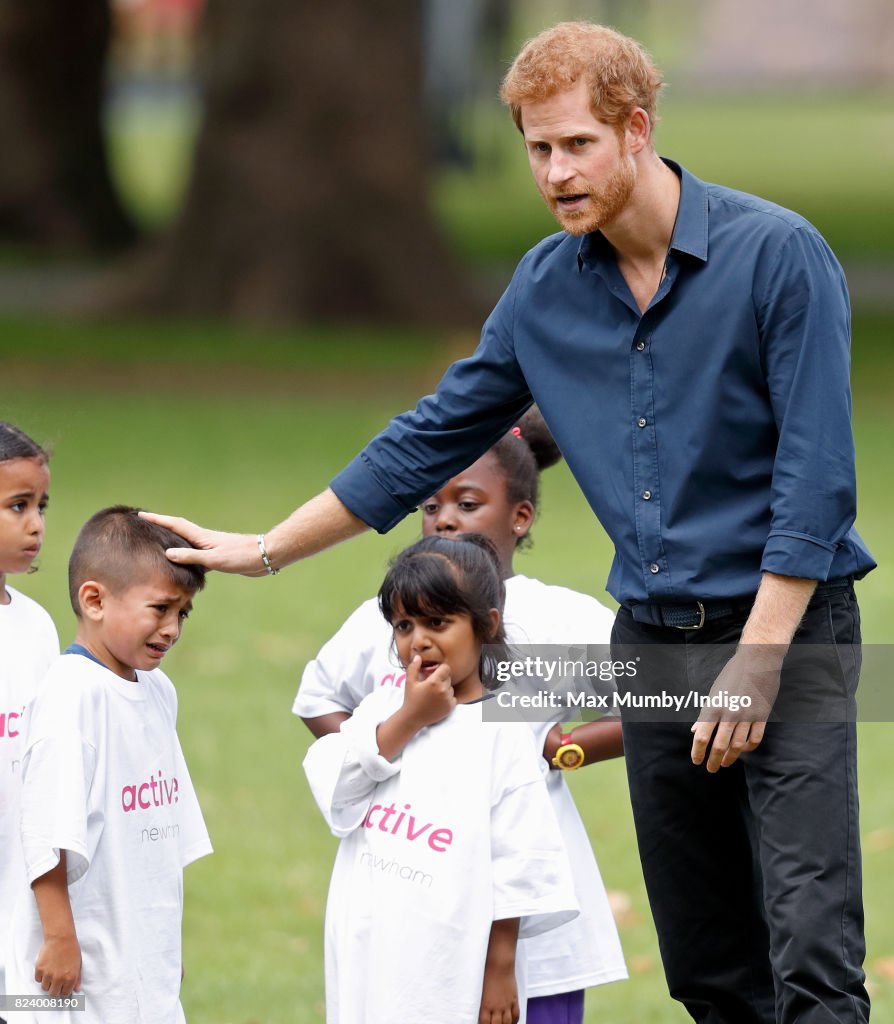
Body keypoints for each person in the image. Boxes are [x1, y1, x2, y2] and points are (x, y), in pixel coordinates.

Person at [142, 20, 875, 1024]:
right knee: (709, 960)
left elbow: (818, 483)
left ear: (636, 129)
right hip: (656, 638)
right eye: (537, 148)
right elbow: (425, 439)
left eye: (577, 143)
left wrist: (758, 659)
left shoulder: (778, 257)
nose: (555, 171)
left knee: (812, 950)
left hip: (788, 635)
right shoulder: (543, 291)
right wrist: (265, 550)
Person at [295, 409, 626, 1024]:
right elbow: (319, 697)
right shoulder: (393, 615)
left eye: (467, 503)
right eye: (429, 505)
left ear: (518, 516)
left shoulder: (557, 619)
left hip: (526, 926)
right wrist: (397, 756)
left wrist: (568, 746)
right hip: (413, 909)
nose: (444, 517)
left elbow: (677, 698)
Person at [303, 534, 579, 1024]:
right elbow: (335, 786)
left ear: (485, 626)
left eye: (437, 622)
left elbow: (521, 863)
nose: (419, 640)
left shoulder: (503, 732)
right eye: (404, 625)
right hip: (370, 942)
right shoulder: (384, 704)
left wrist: (499, 968)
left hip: (453, 955)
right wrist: (409, 719)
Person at [6, 507, 212, 1024]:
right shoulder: (70, 696)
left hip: (136, 958)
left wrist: (160, 950)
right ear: (94, 600)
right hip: (70, 966)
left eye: (183, 613)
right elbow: (44, 835)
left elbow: (161, 840)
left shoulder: (158, 690)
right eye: (160, 608)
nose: (172, 629)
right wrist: (58, 940)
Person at [0, 423, 59, 1024]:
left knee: (28, 1007)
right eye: (18, 506)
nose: (37, 523)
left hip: (25, 889)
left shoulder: (37, 624)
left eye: (40, 505)